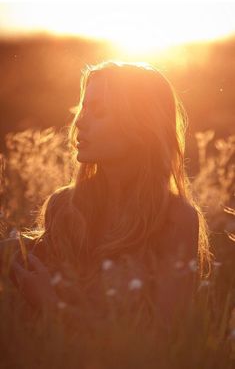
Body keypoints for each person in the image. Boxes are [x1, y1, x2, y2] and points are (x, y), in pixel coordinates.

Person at [5, 60, 214, 332]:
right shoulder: (64, 206)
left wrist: (51, 307)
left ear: (141, 127)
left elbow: (165, 336)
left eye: (99, 111)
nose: (80, 121)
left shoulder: (175, 220)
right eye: (83, 108)